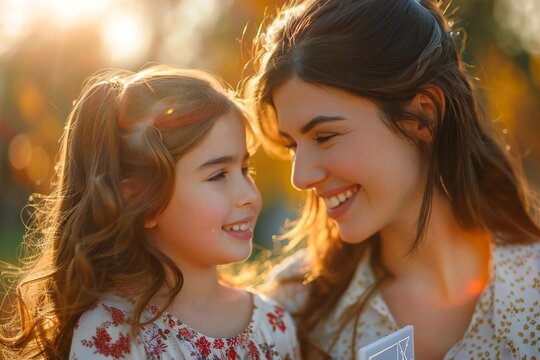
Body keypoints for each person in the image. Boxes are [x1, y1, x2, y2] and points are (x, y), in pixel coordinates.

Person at [246, 0, 540, 358]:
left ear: (421, 116)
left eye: (324, 137)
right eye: (293, 145)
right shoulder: (291, 313)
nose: (301, 177)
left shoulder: (532, 292)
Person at [0, 65, 300, 359]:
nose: (249, 194)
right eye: (218, 175)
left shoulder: (272, 325)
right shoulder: (111, 336)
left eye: (246, 169)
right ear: (142, 199)